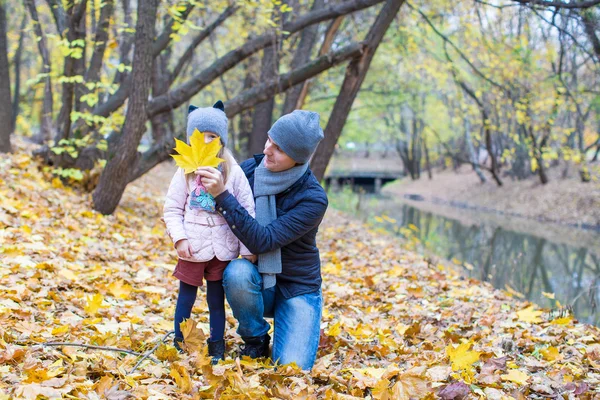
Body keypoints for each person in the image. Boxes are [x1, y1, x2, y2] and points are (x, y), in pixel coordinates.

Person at [196, 110, 328, 370]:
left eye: (278, 149)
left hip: (297, 288)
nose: (268, 150)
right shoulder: (249, 171)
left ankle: (293, 322)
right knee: (237, 272)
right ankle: (255, 337)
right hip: (257, 281)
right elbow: (208, 209)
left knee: (292, 369)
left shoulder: (313, 198)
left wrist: (223, 195)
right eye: (269, 140)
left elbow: (262, 240)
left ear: (298, 158)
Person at [163, 101, 256, 363]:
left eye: (212, 137)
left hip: (222, 248)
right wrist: (179, 238)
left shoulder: (233, 171)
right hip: (192, 247)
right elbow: (172, 209)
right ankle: (179, 341)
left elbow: (247, 210)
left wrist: (247, 249)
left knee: (216, 301)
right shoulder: (185, 171)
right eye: (199, 136)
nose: (206, 141)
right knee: (186, 298)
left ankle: (217, 345)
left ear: (221, 139)